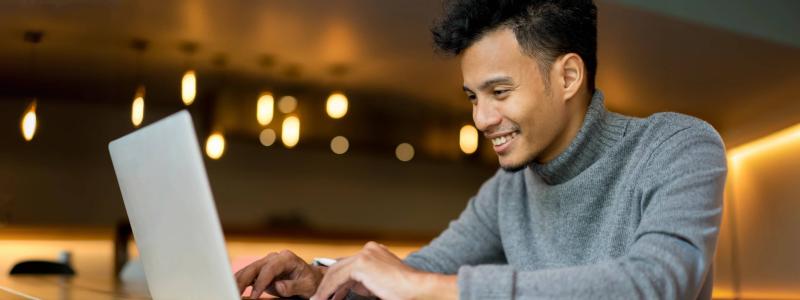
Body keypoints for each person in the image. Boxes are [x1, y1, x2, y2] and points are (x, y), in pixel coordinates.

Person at [234, 0, 727, 299]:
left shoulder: (678, 146)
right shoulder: (507, 191)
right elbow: (419, 273)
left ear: (568, 76)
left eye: (500, 92)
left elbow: (657, 285)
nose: (481, 119)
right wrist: (320, 278)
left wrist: (425, 290)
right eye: (473, 97)